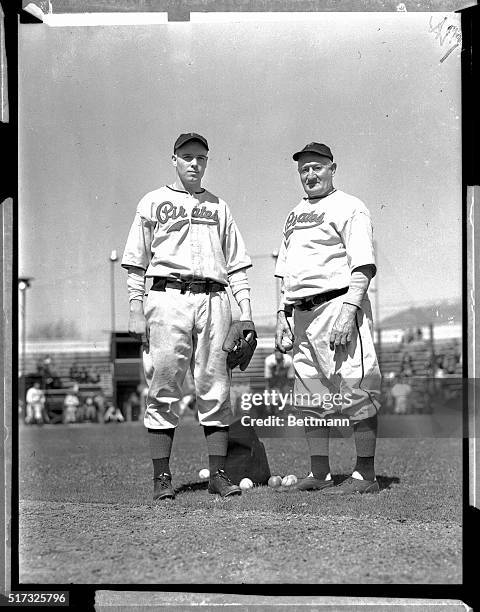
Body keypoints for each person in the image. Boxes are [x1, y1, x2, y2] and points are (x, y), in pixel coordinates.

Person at [122, 132, 254, 500]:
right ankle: (162, 478)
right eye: (187, 156)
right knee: (164, 382)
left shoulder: (219, 206)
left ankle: (217, 475)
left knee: (216, 384)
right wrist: (135, 306)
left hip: (214, 298)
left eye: (201, 157)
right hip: (166, 297)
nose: (195, 163)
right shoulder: (153, 201)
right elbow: (135, 260)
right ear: (174, 160)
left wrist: (245, 315)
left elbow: (239, 265)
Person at [274, 141, 381, 494]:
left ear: (333, 168)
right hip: (301, 313)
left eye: (317, 166)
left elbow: (362, 264)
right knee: (309, 393)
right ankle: (319, 473)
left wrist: (350, 310)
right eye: (304, 168)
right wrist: (281, 315)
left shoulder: (350, 206)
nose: (310, 173)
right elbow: (284, 272)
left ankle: (366, 475)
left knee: (355, 386)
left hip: (338, 304)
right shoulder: (292, 215)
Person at [264, 349, 294, 414]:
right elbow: (268, 380)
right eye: (277, 352)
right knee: (274, 397)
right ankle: (273, 410)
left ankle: (286, 411)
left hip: (285, 379)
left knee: (286, 396)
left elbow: (291, 378)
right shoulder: (269, 360)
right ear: (274, 353)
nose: (278, 353)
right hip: (273, 380)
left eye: (280, 352)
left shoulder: (288, 360)